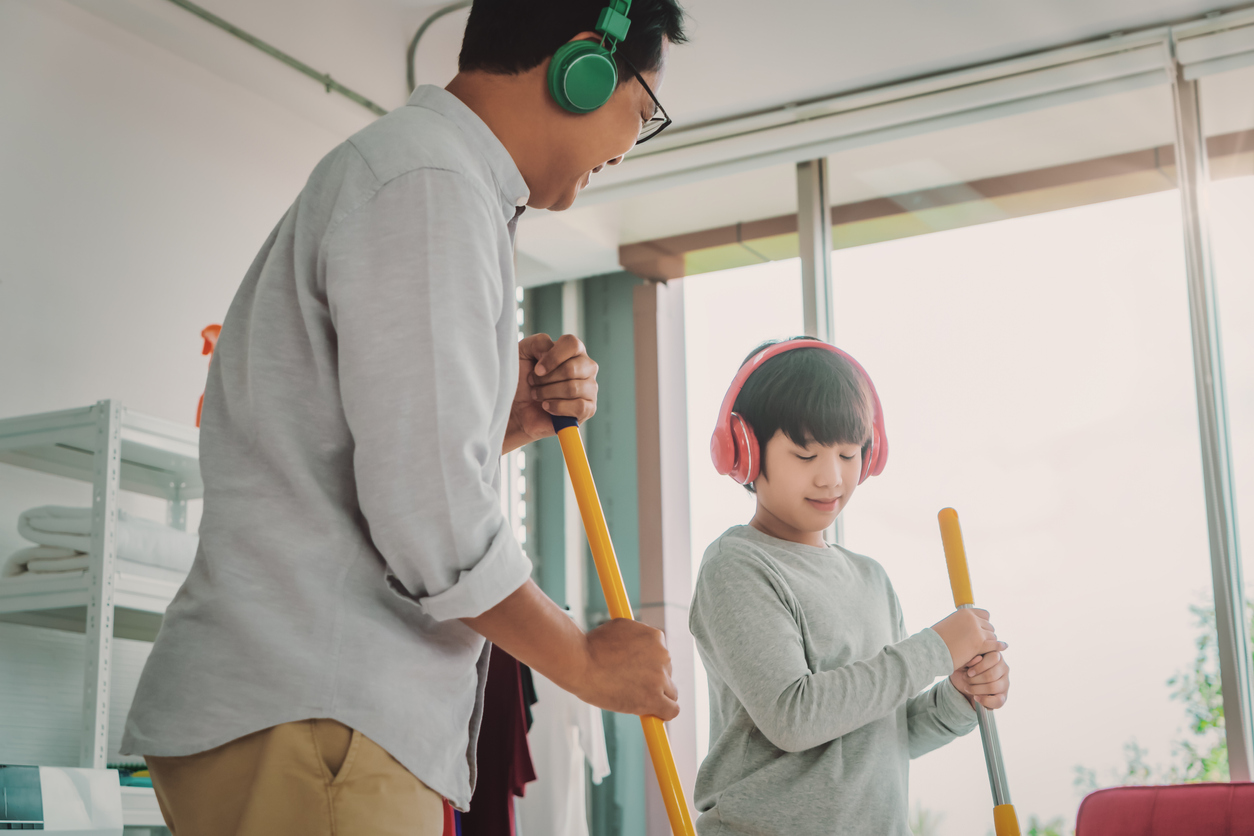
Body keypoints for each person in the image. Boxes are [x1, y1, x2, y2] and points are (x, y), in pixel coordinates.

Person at [121, 2, 688, 833]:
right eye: (640, 111)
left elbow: (369, 461)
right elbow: (431, 516)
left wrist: (501, 420)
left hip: (305, 714)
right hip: (321, 717)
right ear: (585, 67)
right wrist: (586, 662)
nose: (628, 146)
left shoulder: (424, 177)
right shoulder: (433, 186)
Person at [689, 338, 1012, 835]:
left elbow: (886, 735)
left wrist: (957, 697)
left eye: (847, 453)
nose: (831, 478)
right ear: (746, 452)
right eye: (804, 454)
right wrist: (935, 649)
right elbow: (794, 717)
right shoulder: (737, 566)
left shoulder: (871, 580)